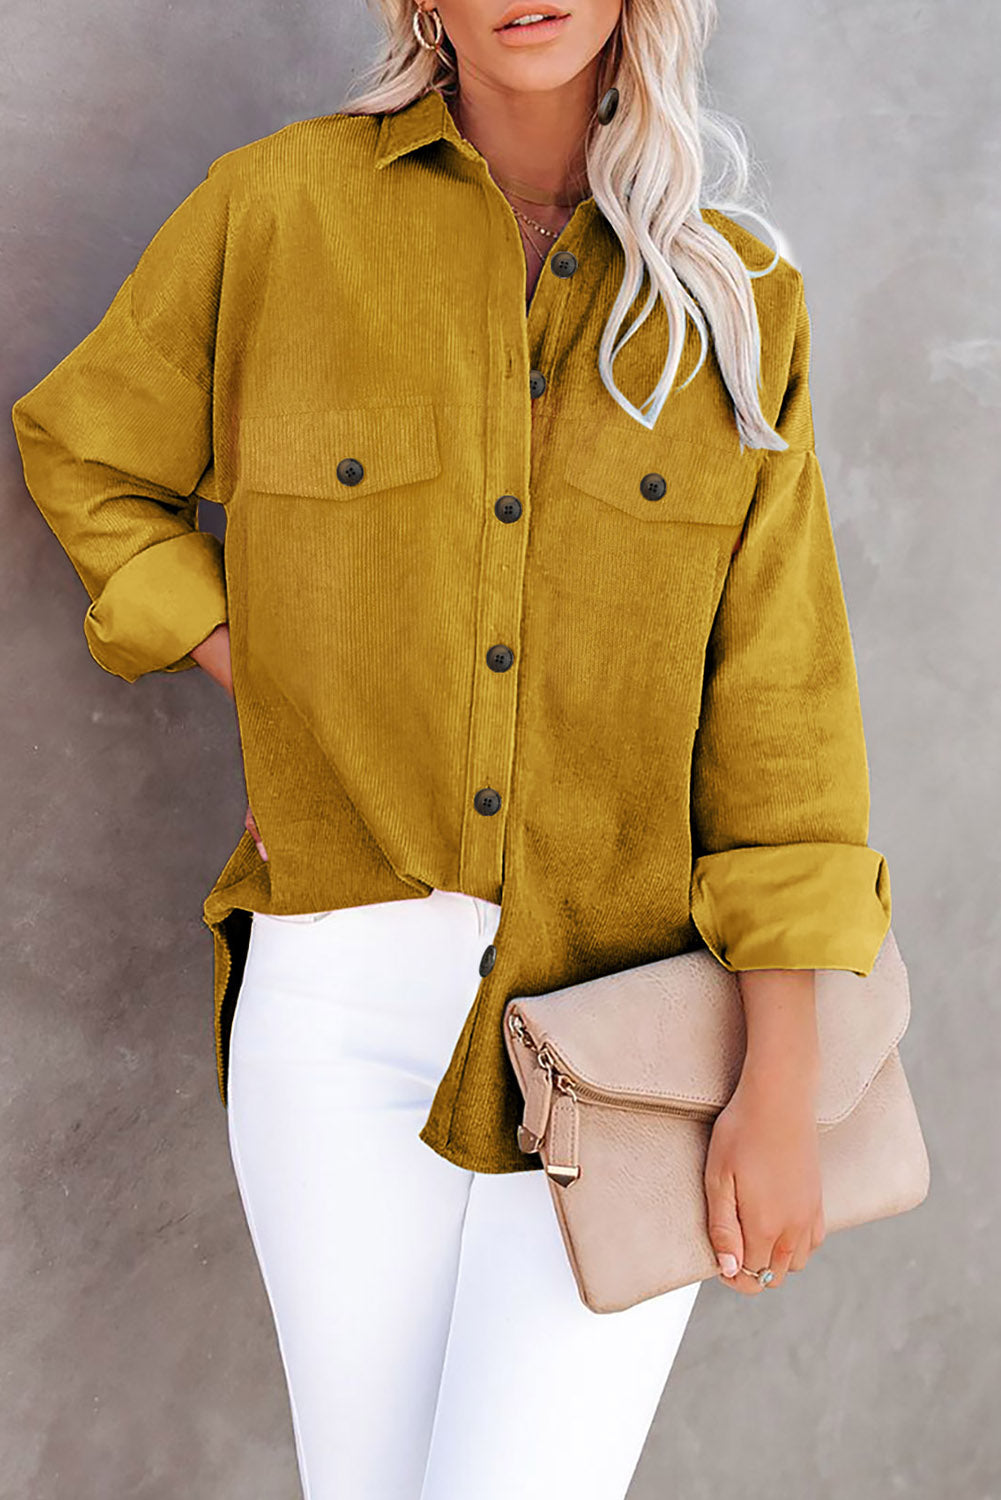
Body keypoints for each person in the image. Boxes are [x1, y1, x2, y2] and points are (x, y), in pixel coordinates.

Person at [10, 1, 893, 1496]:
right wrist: (280, 686)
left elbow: (782, 719)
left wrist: (778, 1086)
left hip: (626, 1031)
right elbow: (83, 450)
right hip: (336, 1005)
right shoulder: (277, 213)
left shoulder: (737, 301)